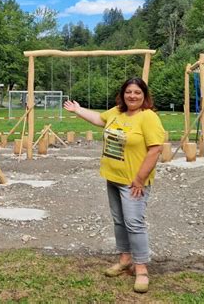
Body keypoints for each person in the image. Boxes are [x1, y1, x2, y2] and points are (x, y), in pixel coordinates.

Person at [64, 77, 164, 293]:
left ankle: (141, 269)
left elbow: (156, 149)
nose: (132, 96)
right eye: (129, 92)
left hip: (134, 182)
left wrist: (139, 179)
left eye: (137, 92)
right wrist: (78, 110)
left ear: (144, 95)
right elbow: (99, 119)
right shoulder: (117, 112)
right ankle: (125, 259)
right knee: (119, 221)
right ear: (123, 94)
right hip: (113, 178)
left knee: (134, 223)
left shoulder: (148, 117)